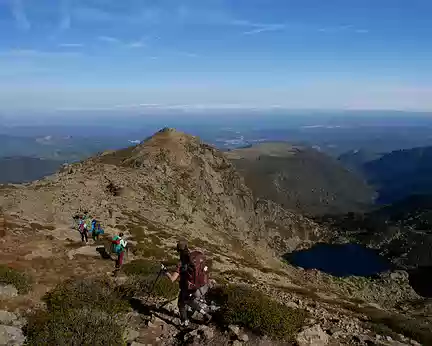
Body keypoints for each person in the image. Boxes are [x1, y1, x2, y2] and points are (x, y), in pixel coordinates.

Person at [163, 240, 212, 327]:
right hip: (198, 286)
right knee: (189, 301)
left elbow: (172, 279)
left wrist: (165, 272)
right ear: (187, 247)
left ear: (178, 250)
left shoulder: (181, 263)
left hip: (188, 288)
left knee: (181, 303)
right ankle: (206, 314)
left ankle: (184, 322)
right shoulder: (195, 258)